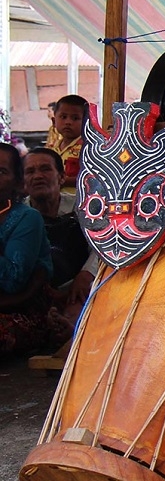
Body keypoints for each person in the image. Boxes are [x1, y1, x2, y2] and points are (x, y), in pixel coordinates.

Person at [0, 143, 66, 357]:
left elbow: (13, 280)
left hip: (22, 311)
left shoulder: (27, 218)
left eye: (1, 172)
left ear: (18, 183)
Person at [22, 147, 97, 321]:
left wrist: (86, 275)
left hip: (79, 290)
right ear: (23, 182)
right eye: (30, 171)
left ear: (62, 177)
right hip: (32, 293)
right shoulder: (17, 216)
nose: (38, 176)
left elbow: (103, 242)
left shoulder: (84, 206)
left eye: (45, 169)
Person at [45, 94, 88, 195]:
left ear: (87, 122)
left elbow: (93, 178)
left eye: (75, 118)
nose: (68, 122)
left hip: (78, 203)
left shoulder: (88, 148)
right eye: (63, 117)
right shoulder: (51, 149)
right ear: (54, 121)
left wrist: (62, 181)